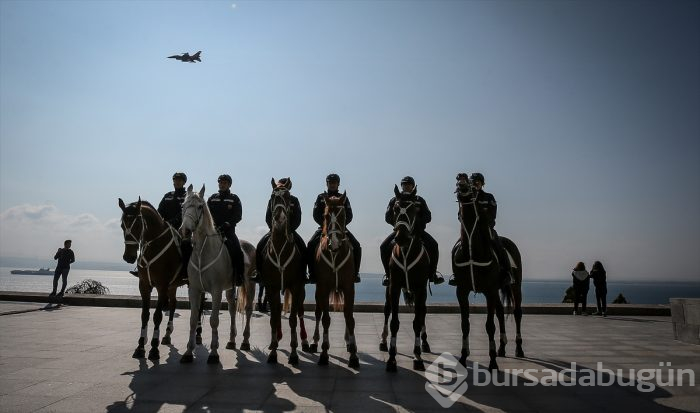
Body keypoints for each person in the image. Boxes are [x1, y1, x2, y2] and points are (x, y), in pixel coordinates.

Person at [450, 172, 513, 287]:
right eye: (474, 181)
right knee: (455, 248)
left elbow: (492, 215)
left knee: (498, 245)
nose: (476, 182)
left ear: (482, 183)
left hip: (485, 229)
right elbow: (460, 214)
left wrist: (483, 220)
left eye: (478, 181)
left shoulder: (489, 197)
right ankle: (456, 275)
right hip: (470, 230)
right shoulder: (467, 196)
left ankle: (506, 272)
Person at [380, 176, 443, 286]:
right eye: (404, 184)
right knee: (383, 246)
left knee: (434, 245)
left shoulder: (419, 200)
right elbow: (387, 217)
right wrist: (399, 224)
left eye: (409, 184)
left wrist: (417, 222)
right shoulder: (394, 200)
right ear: (401, 186)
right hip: (400, 231)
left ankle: (433, 274)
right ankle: (387, 274)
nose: (406, 186)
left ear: (413, 186)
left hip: (417, 232)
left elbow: (428, 216)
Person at [130, 171, 189, 277]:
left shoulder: (187, 196)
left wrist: (171, 222)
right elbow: (159, 211)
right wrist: (159, 222)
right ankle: (140, 267)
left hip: (180, 228)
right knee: (146, 241)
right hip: (164, 227)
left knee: (186, 245)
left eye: (180, 180)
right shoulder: (167, 196)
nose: (177, 182)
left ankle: (186, 271)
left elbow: (184, 213)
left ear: (184, 182)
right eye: (175, 180)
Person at [306, 173, 362, 284]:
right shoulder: (321, 197)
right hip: (324, 228)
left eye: (334, 183)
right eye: (330, 183)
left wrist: (340, 226)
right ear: (327, 184)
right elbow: (316, 214)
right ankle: (312, 273)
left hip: (341, 229)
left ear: (338, 184)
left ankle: (355, 274)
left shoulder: (343, 198)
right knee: (311, 244)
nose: (332, 185)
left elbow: (349, 215)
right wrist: (325, 227)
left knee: (356, 246)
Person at [255, 177, 307, 283]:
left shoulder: (294, 200)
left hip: (290, 230)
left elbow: (298, 217)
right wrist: (273, 229)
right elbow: (268, 216)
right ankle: (258, 273)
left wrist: (290, 229)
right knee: (260, 246)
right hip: (274, 230)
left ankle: (304, 273)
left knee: (303, 247)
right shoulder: (272, 199)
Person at [207, 174, 245, 286]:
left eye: (224, 183)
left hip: (228, 232)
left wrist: (227, 224)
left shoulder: (234, 198)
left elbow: (238, 215)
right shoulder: (212, 198)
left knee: (238, 251)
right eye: (220, 182)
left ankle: (239, 276)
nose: (222, 184)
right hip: (212, 231)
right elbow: (206, 214)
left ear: (229, 185)